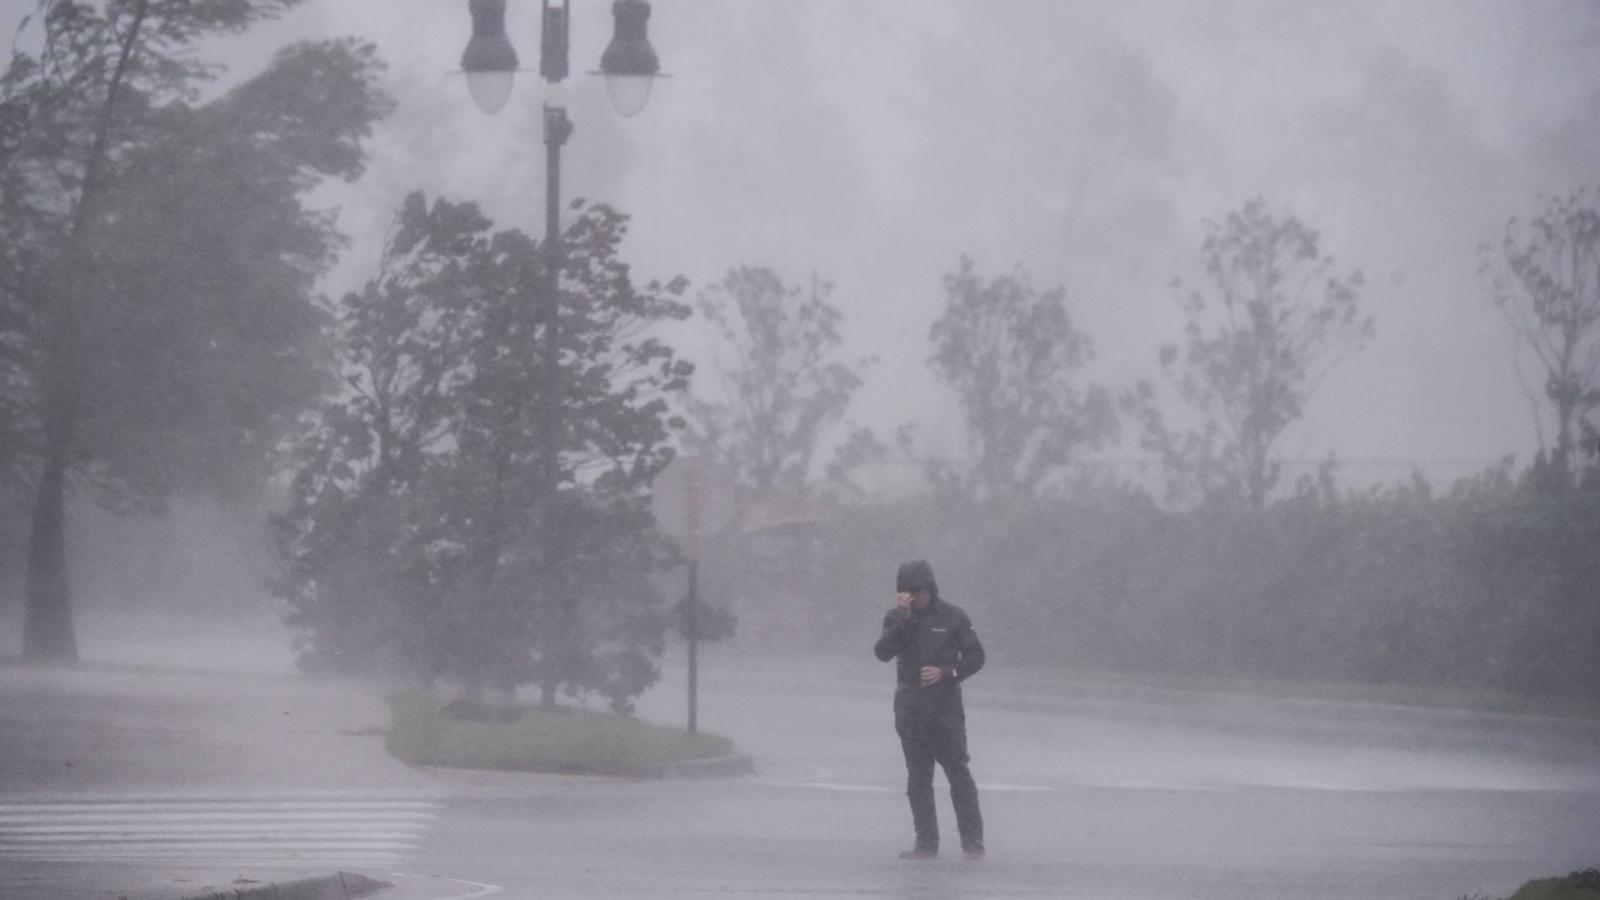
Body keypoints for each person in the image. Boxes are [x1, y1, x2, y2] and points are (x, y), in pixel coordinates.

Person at [873, 559, 985, 860]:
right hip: (910, 711)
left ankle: (972, 843)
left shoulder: (953, 617)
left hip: (945, 710)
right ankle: (926, 842)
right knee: (918, 778)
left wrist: (947, 673)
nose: (916, 598)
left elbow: (976, 657)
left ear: (930, 589)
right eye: (908, 593)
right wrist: (904, 619)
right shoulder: (896, 619)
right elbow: (882, 652)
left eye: (919, 592)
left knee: (958, 773)